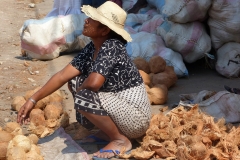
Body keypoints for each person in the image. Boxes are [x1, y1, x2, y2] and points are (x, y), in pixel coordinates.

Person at [17, 1, 151, 159]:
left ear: (105, 30)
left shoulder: (112, 46)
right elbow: (61, 75)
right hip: (120, 107)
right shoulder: (92, 48)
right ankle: (108, 132)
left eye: (93, 19)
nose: (86, 20)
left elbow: (95, 83)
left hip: (136, 117)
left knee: (83, 93)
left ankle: (120, 139)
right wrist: (32, 100)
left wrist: (80, 96)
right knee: (75, 82)